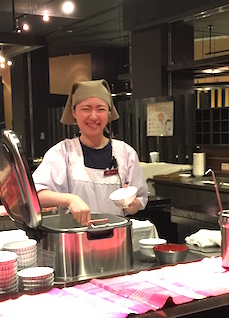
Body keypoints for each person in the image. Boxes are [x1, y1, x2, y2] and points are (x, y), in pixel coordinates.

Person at [32, 79, 148, 225]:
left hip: (115, 237)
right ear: (74, 112)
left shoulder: (125, 153)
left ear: (109, 112)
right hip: (75, 240)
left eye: (100, 109)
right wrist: (70, 199)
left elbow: (139, 200)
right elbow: (34, 195)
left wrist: (132, 205)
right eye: (86, 109)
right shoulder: (62, 153)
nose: (93, 116)